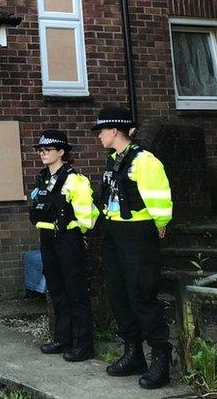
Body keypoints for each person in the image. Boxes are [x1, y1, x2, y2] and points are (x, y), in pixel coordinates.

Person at [91, 107, 174, 389]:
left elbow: (160, 197)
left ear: (114, 131)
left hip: (138, 234)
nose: (99, 135)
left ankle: (161, 359)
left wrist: (161, 222)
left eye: (101, 130)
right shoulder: (114, 160)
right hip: (115, 233)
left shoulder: (144, 161)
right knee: (119, 294)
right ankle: (133, 352)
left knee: (142, 295)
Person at [29, 129, 98, 362]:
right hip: (47, 239)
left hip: (68, 239)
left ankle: (84, 344)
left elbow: (87, 217)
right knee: (57, 290)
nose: (43, 153)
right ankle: (62, 338)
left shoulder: (75, 180)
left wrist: (78, 232)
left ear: (61, 152)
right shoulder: (42, 179)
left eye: (48, 149)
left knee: (76, 291)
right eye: (40, 149)